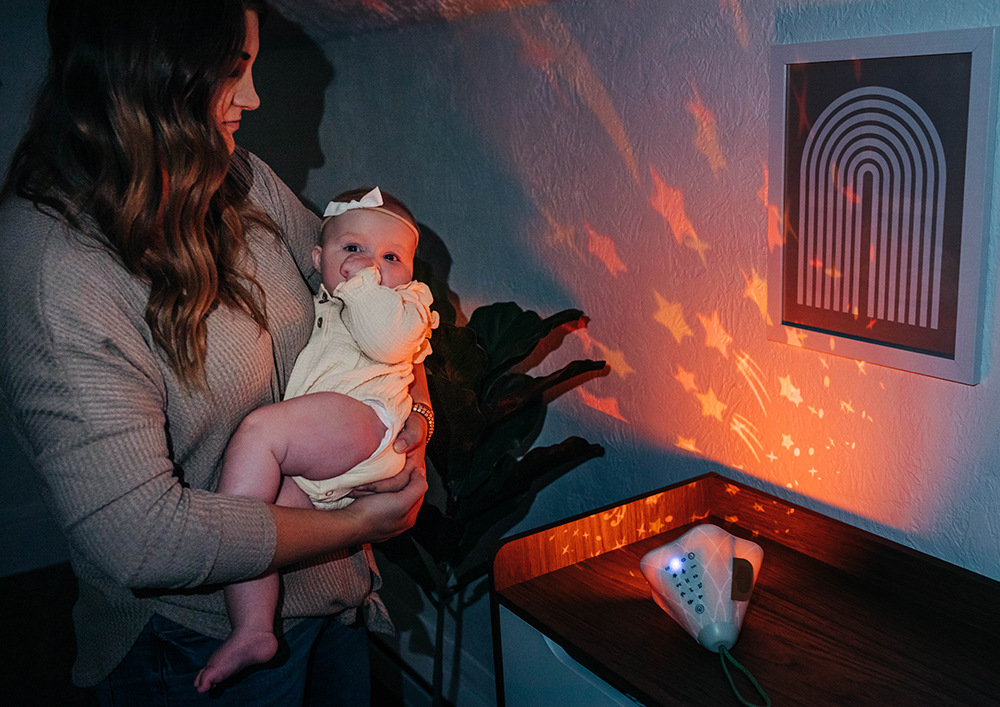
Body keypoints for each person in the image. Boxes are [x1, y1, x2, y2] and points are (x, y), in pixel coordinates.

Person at [0, 1, 429, 704]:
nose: (253, 97)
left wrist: (414, 425)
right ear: (149, 71)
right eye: (234, 70)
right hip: (193, 638)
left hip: (336, 597)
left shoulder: (237, 177)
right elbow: (141, 539)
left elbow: (379, 297)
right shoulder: (53, 263)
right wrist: (357, 521)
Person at [195, 186, 439, 692]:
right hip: (330, 451)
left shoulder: (407, 303)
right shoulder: (328, 298)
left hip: (369, 421)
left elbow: (387, 342)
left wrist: (362, 284)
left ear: (412, 271)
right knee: (261, 521)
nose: (373, 265)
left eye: (391, 257)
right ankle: (253, 628)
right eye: (354, 248)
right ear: (316, 259)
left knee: (261, 432)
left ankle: (252, 619)